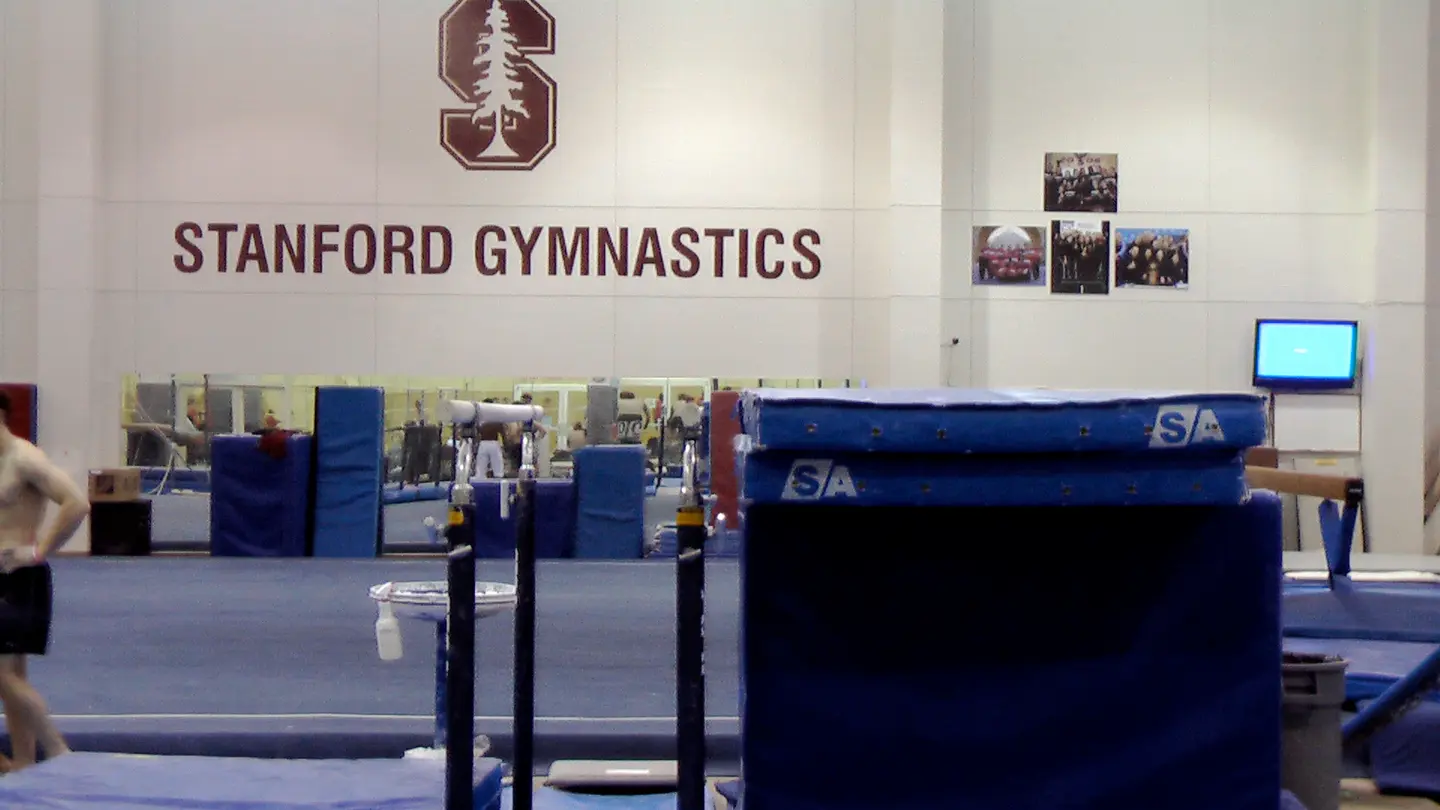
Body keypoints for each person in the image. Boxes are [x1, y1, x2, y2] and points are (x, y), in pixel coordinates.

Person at [0, 391, 87, 769]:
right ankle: (23, 761)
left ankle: (55, 749)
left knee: (4, 675)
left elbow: (76, 503)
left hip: (18, 576)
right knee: (11, 674)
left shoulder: (25, 459)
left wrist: (40, 550)